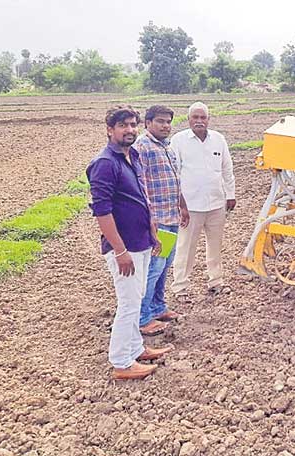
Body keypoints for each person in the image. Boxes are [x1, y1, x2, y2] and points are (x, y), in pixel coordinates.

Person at [87, 106, 173, 380]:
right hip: (124, 247)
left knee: (136, 299)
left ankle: (135, 348)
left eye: (133, 125)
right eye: (123, 125)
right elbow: (102, 211)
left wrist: (152, 232)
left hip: (141, 241)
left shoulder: (132, 155)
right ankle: (122, 362)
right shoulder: (105, 163)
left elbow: (141, 196)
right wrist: (120, 250)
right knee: (128, 304)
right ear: (109, 130)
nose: (130, 130)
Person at [170, 102, 236, 300]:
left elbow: (227, 169)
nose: (199, 121)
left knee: (215, 245)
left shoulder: (218, 139)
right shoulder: (179, 141)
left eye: (203, 117)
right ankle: (180, 287)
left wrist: (230, 194)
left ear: (209, 119)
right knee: (185, 247)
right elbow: (174, 174)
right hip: (190, 206)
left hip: (217, 203)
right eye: (195, 117)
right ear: (189, 119)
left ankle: (215, 281)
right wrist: (180, 205)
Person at [134, 105, 189, 336]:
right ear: (147, 123)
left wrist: (183, 205)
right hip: (157, 219)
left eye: (168, 122)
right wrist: (149, 219)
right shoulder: (142, 147)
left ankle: (158, 307)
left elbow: (174, 179)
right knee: (153, 268)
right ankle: (143, 318)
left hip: (171, 215)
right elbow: (139, 185)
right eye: (160, 121)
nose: (165, 126)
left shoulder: (167, 147)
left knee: (165, 266)